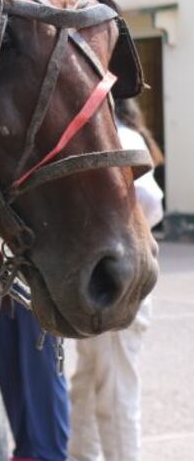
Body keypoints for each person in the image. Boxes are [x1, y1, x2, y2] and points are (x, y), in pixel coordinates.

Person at [68, 98, 164, 461]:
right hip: (102, 280)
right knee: (90, 385)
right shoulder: (112, 135)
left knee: (114, 391)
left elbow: (152, 203)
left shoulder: (119, 137)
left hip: (117, 281)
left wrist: (116, 233)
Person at [0, 294, 70, 461]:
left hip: (38, 283)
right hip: (5, 282)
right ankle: (25, 453)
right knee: (10, 372)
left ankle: (50, 455)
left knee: (42, 371)